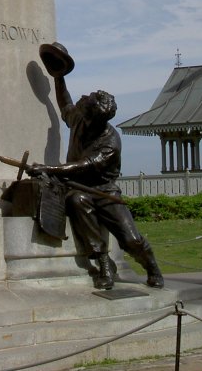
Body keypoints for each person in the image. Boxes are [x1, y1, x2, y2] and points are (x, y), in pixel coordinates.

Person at [29, 44, 164, 291]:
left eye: (86, 101)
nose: (82, 99)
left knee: (131, 240)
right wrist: (58, 77)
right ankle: (102, 261)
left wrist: (48, 168)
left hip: (105, 191)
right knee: (77, 201)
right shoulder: (82, 119)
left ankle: (152, 267)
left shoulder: (109, 142)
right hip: (79, 189)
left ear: (91, 118)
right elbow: (65, 104)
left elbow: (82, 166)